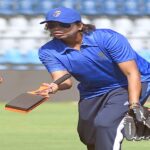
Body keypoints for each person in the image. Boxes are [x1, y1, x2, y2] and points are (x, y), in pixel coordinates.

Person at [37, 7, 150, 150]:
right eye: (52, 25)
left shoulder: (107, 38)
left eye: (64, 24)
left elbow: (132, 73)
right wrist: (55, 86)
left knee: (106, 124)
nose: (57, 28)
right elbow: (63, 80)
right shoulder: (47, 51)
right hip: (92, 90)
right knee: (88, 135)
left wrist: (134, 105)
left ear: (79, 26)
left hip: (127, 83)